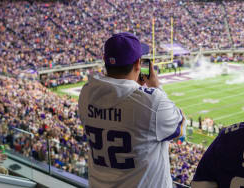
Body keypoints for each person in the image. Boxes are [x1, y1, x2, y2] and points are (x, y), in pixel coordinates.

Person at [78, 33, 185, 188]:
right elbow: (179, 126)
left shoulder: (86, 94)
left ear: (105, 60)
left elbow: (118, 112)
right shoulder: (152, 102)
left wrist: (139, 89)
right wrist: (155, 86)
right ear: (137, 64)